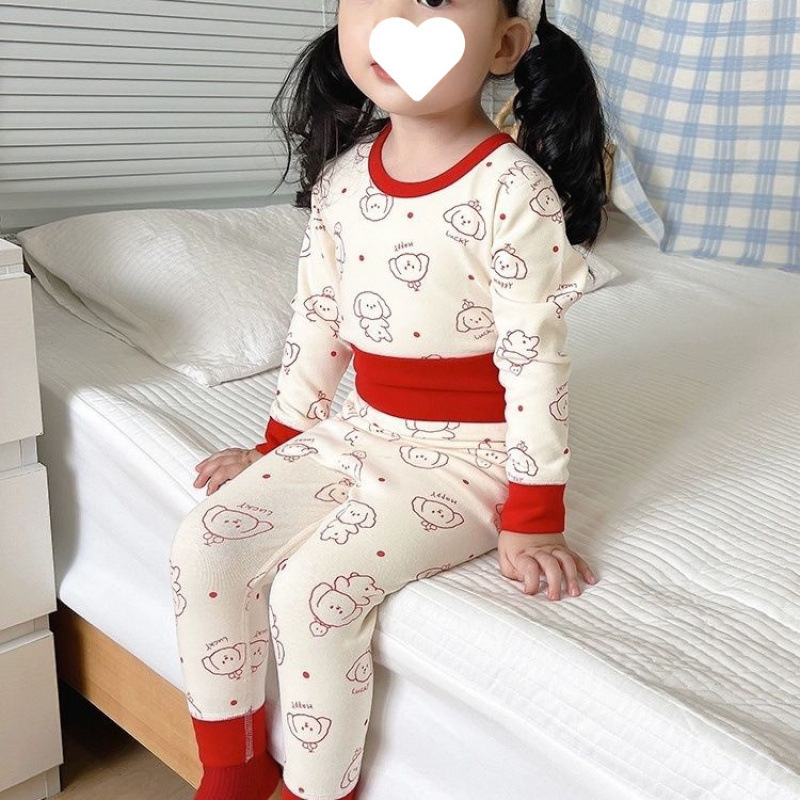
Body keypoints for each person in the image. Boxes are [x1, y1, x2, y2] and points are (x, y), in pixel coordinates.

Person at [170, 0, 608, 798]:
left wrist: (535, 515)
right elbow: (317, 323)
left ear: (505, 44)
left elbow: (534, 362)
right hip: (361, 428)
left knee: (314, 591)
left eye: (436, 0)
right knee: (205, 542)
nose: (397, 17)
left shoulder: (513, 189)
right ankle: (233, 770)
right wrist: (277, 446)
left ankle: (317, 790)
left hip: (472, 456)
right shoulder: (342, 181)